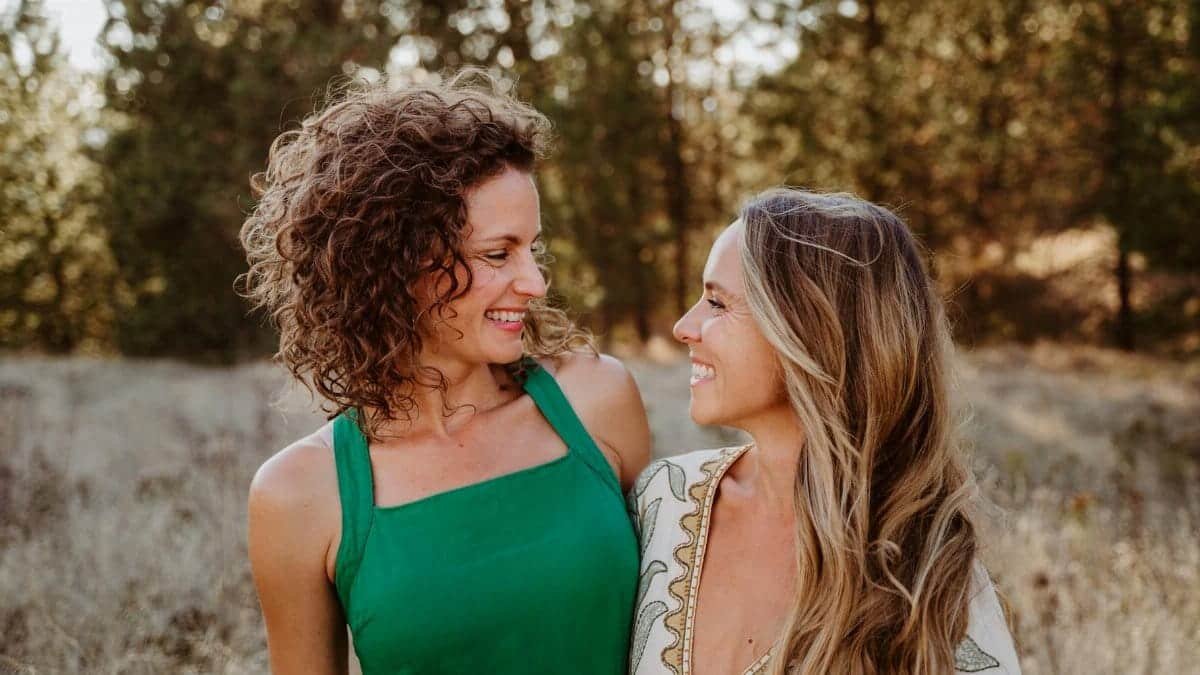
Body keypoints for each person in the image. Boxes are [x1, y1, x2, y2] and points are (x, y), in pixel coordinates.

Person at [240, 71, 650, 675]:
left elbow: (683, 623)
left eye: (532, 249)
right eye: (497, 253)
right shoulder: (300, 492)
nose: (535, 282)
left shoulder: (596, 400)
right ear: (394, 261)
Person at [628, 189, 1021, 674]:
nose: (683, 327)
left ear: (811, 332)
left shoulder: (931, 581)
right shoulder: (664, 499)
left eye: (717, 303)